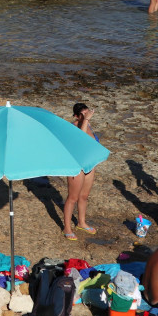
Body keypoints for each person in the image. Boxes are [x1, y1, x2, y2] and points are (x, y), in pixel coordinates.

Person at [62, 102, 98, 239]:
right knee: (73, 198)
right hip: (76, 166)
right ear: (76, 116)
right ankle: (67, 227)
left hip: (90, 165)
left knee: (84, 197)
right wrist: (86, 119)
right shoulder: (74, 127)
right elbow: (81, 140)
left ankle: (81, 222)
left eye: (87, 113)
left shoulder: (88, 125)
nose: (86, 116)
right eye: (83, 114)